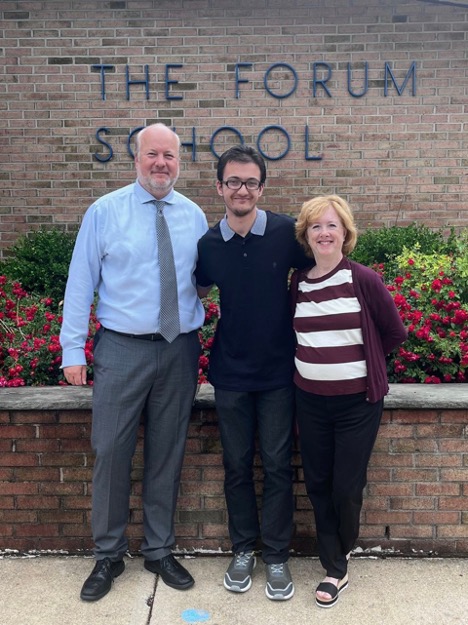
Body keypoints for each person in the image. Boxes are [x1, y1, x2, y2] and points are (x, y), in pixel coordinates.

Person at [60, 123, 208, 602]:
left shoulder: (193, 215)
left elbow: (205, 280)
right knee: (111, 451)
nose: (161, 163)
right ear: (136, 159)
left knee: (167, 452)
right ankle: (108, 553)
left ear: (179, 161)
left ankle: (159, 548)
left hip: (179, 348)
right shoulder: (105, 212)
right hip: (121, 348)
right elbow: (80, 282)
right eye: (152, 155)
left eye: (169, 155)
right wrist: (72, 349)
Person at [195, 145, 310, 601]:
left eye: (250, 182)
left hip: (280, 371)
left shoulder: (286, 233)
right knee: (237, 467)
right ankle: (244, 549)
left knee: (280, 466)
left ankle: (277, 555)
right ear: (219, 187)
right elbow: (198, 291)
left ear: (262, 188)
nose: (241, 190)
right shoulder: (207, 244)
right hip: (230, 374)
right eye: (233, 182)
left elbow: (319, 273)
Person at [290, 195, 407, 608]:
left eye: (332, 225)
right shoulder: (298, 283)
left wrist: (365, 363)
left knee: (345, 486)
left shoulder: (363, 279)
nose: (324, 233)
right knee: (318, 483)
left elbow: (393, 333)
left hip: (357, 404)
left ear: (345, 233)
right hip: (310, 401)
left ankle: (341, 555)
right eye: (316, 226)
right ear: (306, 235)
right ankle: (334, 566)